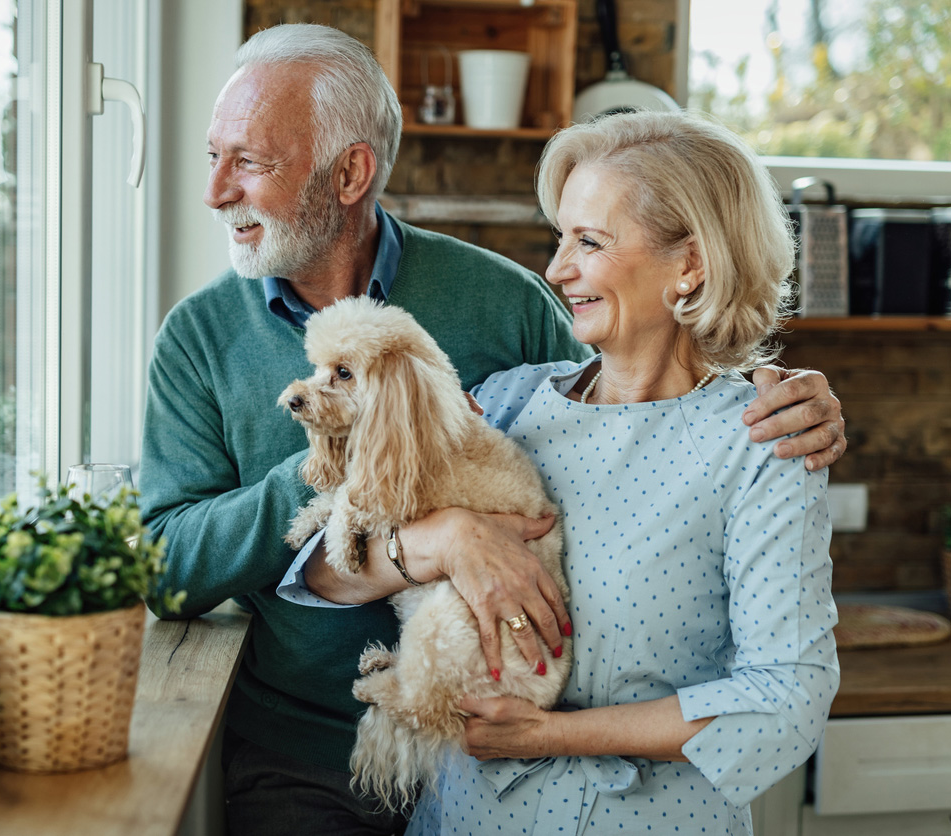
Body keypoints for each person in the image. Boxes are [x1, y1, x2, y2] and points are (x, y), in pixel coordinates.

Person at [138, 23, 845, 836]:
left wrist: (793, 397)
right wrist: (417, 528)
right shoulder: (509, 400)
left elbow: (784, 690)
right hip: (330, 759)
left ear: (350, 171)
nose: (216, 191)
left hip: (550, 788)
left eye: (250, 162)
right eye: (212, 157)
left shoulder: (514, 320)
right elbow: (245, 565)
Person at [293, 110, 839, 835]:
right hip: (464, 818)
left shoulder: (764, 443)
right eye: (561, 239)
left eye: (590, 241)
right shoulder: (508, 403)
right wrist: (448, 536)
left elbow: (788, 697)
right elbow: (322, 575)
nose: (556, 270)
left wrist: (552, 736)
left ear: (691, 264)